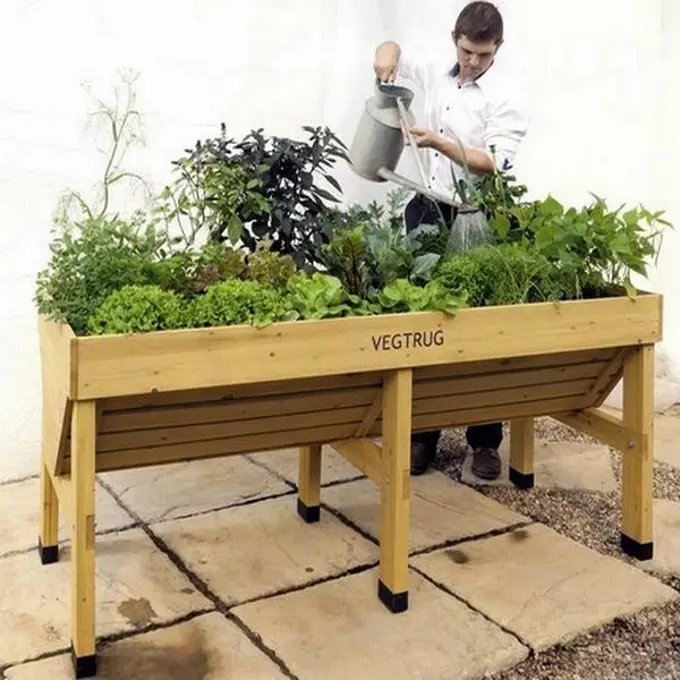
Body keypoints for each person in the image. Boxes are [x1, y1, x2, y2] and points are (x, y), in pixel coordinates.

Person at [372, 1, 530, 479]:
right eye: (466, 52)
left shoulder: (506, 95)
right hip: (429, 207)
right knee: (425, 321)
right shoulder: (438, 69)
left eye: (484, 55)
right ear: (454, 41)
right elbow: (395, 52)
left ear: (498, 48)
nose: (473, 62)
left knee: (482, 327)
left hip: (477, 215)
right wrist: (385, 53)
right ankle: (422, 436)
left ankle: (484, 442)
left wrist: (440, 143)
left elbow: (496, 163)